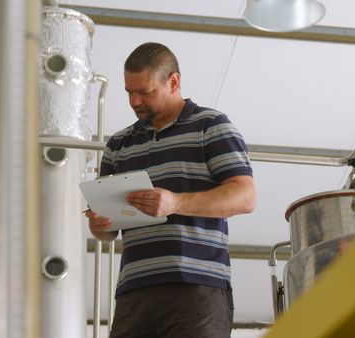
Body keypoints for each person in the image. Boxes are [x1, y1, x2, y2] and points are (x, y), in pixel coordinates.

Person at [85, 42, 256, 338]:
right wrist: (99, 223)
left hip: (196, 288)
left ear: (173, 82)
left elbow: (245, 196)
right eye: (129, 92)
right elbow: (107, 232)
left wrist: (175, 202)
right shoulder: (118, 145)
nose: (135, 101)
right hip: (134, 292)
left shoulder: (211, 126)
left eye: (145, 92)